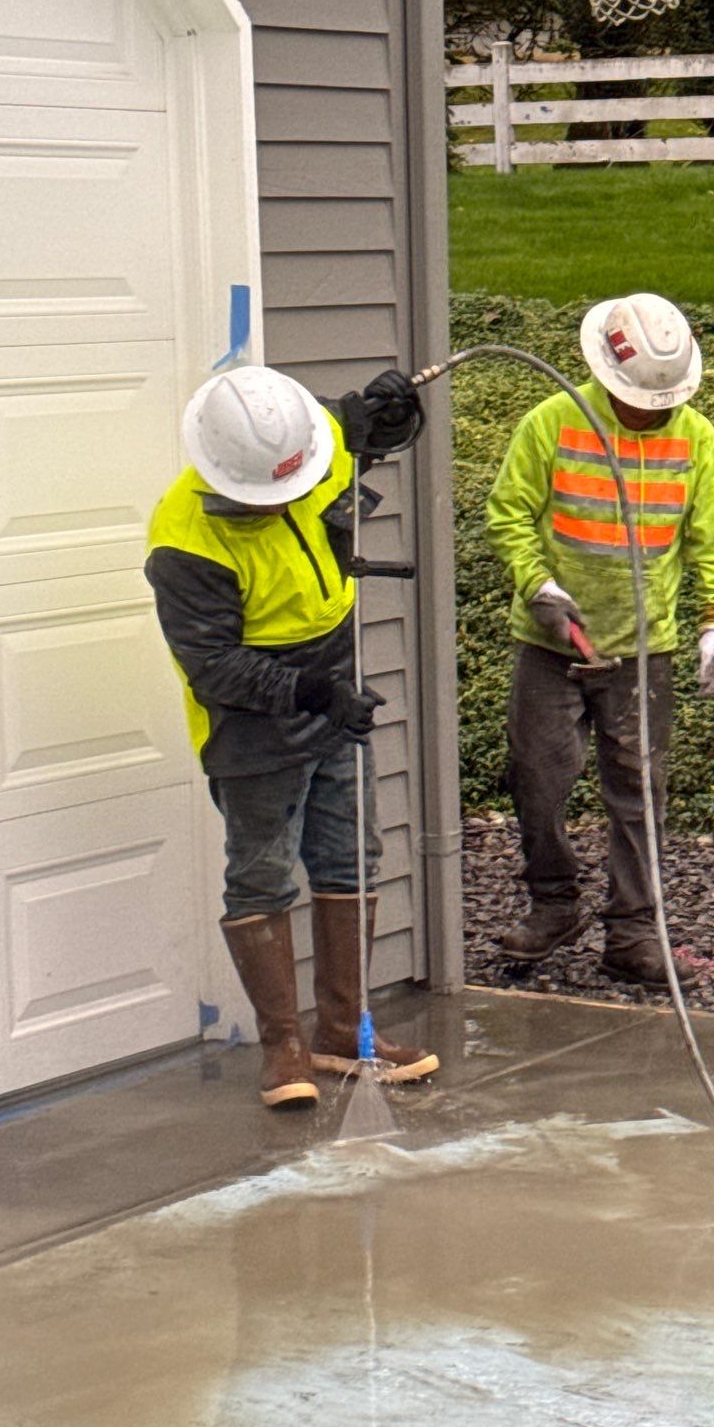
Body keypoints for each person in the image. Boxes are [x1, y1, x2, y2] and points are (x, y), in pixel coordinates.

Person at [145, 364, 437, 1109]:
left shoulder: (314, 441)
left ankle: (345, 1030)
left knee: (350, 853)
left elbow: (364, 435)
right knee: (263, 872)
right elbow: (212, 665)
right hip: (251, 715)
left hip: (332, 673)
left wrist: (394, 418)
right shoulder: (184, 538)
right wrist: (307, 692)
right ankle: (284, 1046)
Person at [485, 293, 714, 989]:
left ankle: (633, 932)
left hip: (642, 648)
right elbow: (509, 514)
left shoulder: (697, 441)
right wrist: (537, 586)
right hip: (549, 646)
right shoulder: (552, 425)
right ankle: (554, 903)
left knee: (639, 791)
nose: (650, 413)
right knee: (538, 779)